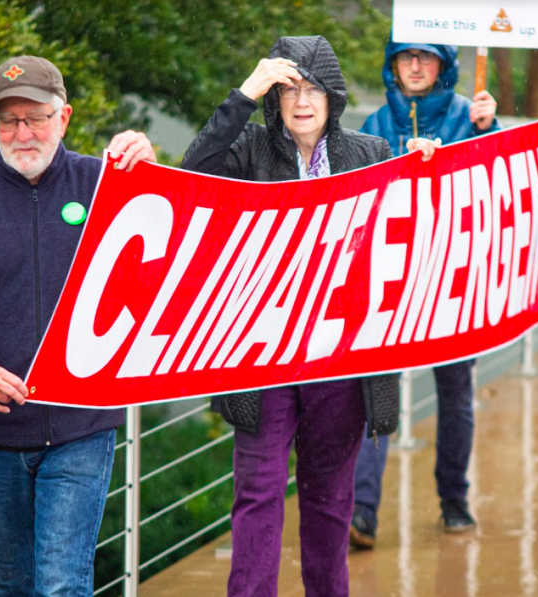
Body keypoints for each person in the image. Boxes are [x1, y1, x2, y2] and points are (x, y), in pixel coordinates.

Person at [181, 35, 437, 597]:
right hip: (261, 360)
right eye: (289, 88)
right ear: (274, 96)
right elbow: (192, 173)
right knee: (259, 492)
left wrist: (428, 170)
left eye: (314, 88)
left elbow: (416, 234)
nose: (302, 100)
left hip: (340, 364)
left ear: (333, 97)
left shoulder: (370, 154)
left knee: (328, 501)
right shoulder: (247, 151)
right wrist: (246, 91)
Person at [0, 55, 155, 596]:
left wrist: (149, 171)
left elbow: (171, 248)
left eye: (36, 117)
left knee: (62, 586)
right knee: (10, 587)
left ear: (63, 117)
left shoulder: (105, 184)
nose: (23, 132)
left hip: (81, 428)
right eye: (9, 119)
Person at [349, 41, 500, 549]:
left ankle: (454, 500)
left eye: (426, 57)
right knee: (378, 397)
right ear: (392, 64)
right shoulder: (372, 125)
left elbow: (492, 186)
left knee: (455, 396)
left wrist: (487, 133)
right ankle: (362, 512)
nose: (414, 66)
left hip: (453, 286)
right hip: (387, 284)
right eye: (404, 57)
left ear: (445, 65)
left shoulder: (470, 116)